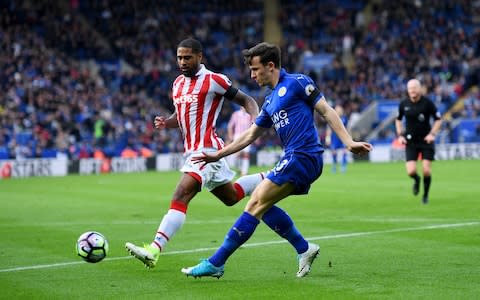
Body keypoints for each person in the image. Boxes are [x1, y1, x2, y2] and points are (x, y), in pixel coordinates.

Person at [181, 42, 372, 278]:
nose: (252, 75)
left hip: (303, 155)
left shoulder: (297, 83)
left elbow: (326, 110)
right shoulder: (270, 100)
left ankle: (216, 263)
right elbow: (251, 134)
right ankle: (304, 248)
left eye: (255, 69)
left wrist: (349, 141)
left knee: (255, 204)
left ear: (270, 66)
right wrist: (218, 155)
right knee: (260, 199)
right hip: (294, 158)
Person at [125, 38, 265, 268]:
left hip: (206, 150)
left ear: (200, 57)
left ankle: (154, 249)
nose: (182, 62)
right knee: (231, 197)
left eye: (187, 57)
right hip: (195, 151)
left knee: (180, 196)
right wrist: (167, 122)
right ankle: (268, 177)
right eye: (179, 57)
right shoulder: (178, 83)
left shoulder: (214, 80)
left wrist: (255, 118)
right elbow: (181, 115)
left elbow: (246, 99)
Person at [395, 79, 442, 204]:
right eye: (410, 88)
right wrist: (400, 135)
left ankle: (425, 196)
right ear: (407, 90)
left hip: (426, 141)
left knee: (426, 170)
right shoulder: (403, 104)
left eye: (414, 88)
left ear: (420, 89)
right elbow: (398, 120)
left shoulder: (427, 103)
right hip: (410, 141)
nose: (412, 91)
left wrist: (432, 134)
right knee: (411, 171)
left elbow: (438, 119)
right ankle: (416, 180)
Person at [227, 106, 253, 176]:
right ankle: (237, 168)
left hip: (247, 136)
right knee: (237, 153)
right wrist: (230, 135)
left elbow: (252, 126)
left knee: (246, 154)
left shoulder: (249, 116)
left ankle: (244, 171)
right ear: (241, 106)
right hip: (238, 136)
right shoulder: (235, 114)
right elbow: (230, 125)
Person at [325, 104, 349, 173]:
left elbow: (347, 128)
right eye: (337, 110)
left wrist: (349, 137)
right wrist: (328, 138)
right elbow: (329, 129)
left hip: (343, 138)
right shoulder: (331, 118)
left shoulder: (344, 118)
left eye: (340, 110)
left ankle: (343, 166)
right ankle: (334, 165)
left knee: (344, 151)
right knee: (334, 152)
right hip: (334, 138)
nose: (339, 111)